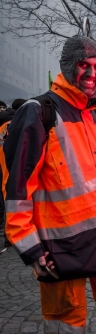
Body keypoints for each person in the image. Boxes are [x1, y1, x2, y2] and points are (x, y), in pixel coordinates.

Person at [3, 35, 96, 334]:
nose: (93, 73)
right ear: (67, 67)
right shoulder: (39, 113)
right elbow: (17, 191)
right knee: (65, 327)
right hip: (59, 248)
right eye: (84, 66)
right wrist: (31, 249)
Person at [0, 98, 27, 254]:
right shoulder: (20, 122)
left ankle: (9, 237)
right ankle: (15, 236)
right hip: (15, 165)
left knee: (6, 200)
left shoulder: (3, 122)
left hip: (3, 166)